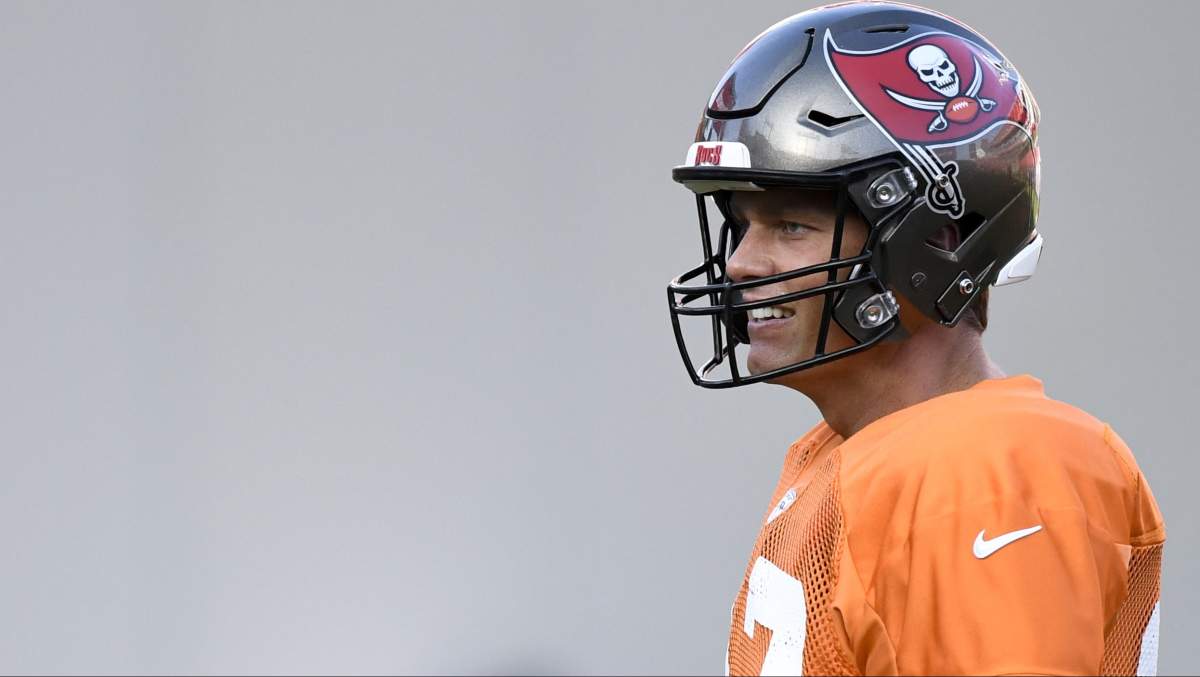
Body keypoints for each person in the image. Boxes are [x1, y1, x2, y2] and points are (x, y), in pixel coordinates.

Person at [664, 2, 1165, 675]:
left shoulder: (983, 469)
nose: (742, 264)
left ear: (937, 242)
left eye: (790, 226)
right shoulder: (856, 453)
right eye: (743, 225)